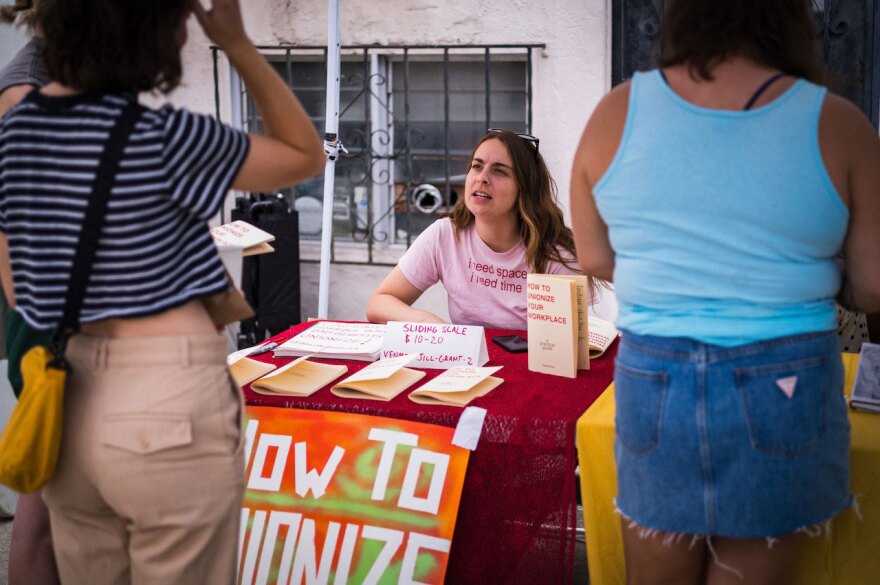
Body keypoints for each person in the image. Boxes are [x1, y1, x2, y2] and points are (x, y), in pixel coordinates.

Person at [0, 0, 324, 582]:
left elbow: (20, 279)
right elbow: (305, 155)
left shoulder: (18, 129)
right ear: (148, 33)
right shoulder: (164, 135)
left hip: (71, 396)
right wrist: (239, 46)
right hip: (167, 398)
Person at [570, 0, 880, 583]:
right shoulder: (839, 124)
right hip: (786, 379)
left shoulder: (614, 114)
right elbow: (873, 284)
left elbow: (594, 258)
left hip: (655, 375)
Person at [367, 129, 615, 329]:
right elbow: (379, 304)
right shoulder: (444, 235)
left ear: (525, 188)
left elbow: (573, 343)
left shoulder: (556, 252)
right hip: (468, 371)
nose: (481, 178)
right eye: (477, 166)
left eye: (499, 171)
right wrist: (427, 321)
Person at [0, 3, 61, 583]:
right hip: (52, 324)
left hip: (50, 317)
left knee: (48, 498)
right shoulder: (29, 88)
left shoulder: (50, 76)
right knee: (46, 499)